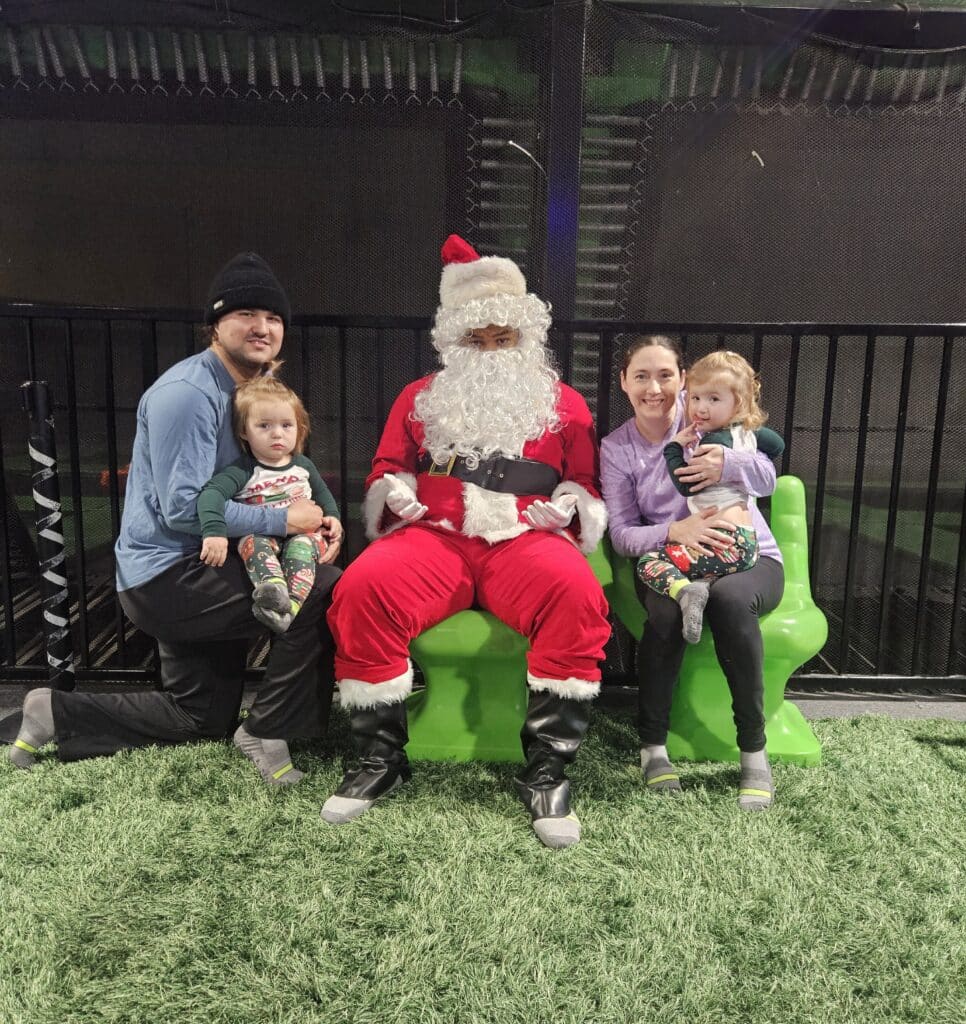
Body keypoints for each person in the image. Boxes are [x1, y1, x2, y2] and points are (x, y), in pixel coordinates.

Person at [321, 234, 611, 849]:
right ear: (455, 342)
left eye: (502, 338)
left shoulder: (564, 404)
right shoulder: (419, 398)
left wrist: (568, 507)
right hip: (436, 534)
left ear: (524, 336)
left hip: (525, 536)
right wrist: (394, 493)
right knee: (362, 588)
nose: (490, 351)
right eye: (476, 341)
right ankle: (379, 759)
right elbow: (387, 467)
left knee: (575, 594)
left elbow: (584, 481)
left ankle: (547, 770)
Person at [9, 252, 343, 785]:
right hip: (171, 575)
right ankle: (268, 729)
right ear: (215, 324)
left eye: (273, 317)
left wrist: (321, 519)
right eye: (246, 314)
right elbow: (184, 509)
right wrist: (285, 523)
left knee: (197, 718)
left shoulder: (248, 393)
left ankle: (54, 712)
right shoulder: (186, 395)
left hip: (208, 562)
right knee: (322, 589)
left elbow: (275, 479)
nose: (262, 327)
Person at [600, 335, 783, 810]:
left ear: (683, 380)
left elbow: (768, 476)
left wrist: (730, 462)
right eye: (641, 376)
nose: (654, 388)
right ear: (624, 382)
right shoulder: (618, 448)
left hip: (749, 556)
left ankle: (754, 752)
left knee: (731, 601)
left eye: (665, 375)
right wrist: (673, 530)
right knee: (665, 615)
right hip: (676, 560)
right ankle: (653, 747)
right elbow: (621, 534)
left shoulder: (710, 412)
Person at [635, 350, 784, 644]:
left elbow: (686, 485)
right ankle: (701, 584)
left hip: (725, 545)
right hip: (743, 542)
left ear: (737, 403)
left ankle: (686, 591)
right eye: (695, 398)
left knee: (649, 563)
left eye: (714, 400)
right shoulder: (748, 433)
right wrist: (748, 432)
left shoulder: (712, 445)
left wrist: (673, 450)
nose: (701, 408)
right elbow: (777, 445)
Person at [198, 375, 339, 635]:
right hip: (263, 537)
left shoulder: (303, 465)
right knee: (251, 542)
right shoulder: (243, 470)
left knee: (300, 547)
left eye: (287, 425)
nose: (277, 433)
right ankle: (273, 590)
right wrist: (215, 531)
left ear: (298, 428)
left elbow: (323, 493)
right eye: (264, 425)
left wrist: (333, 518)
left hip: (305, 537)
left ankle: (290, 609)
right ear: (244, 431)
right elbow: (211, 495)